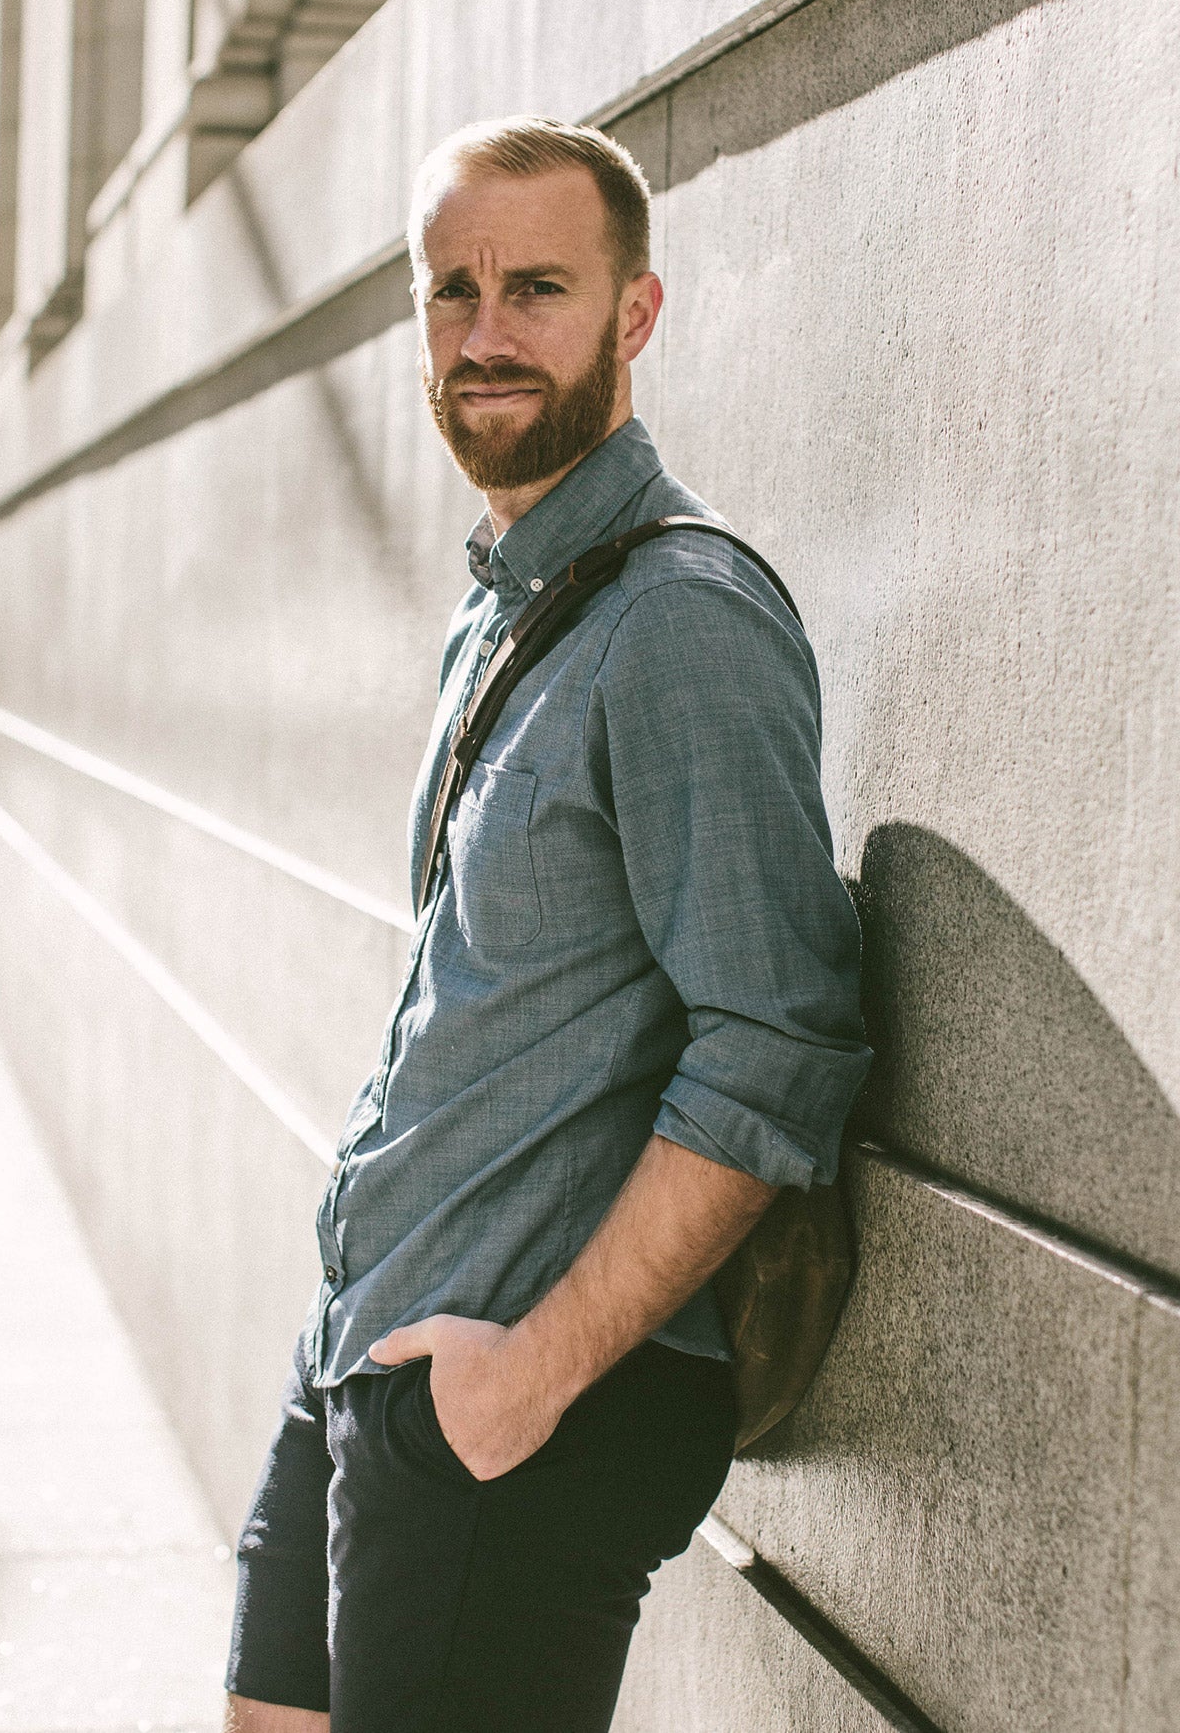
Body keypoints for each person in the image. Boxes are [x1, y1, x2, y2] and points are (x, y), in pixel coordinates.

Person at [224, 117, 871, 1733]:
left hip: (525, 1410)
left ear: (633, 315)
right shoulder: (509, 598)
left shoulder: (678, 622)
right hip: (379, 1346)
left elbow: (779, 1041)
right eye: (453, 292)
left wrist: (524, 1383)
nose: (486, 334)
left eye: (537, 288)